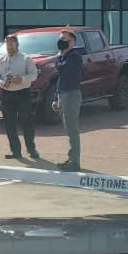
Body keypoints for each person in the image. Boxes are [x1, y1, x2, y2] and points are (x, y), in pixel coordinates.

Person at [0, 34, 40, 160]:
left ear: (17, 44)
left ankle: (31, 149)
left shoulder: (25, 58)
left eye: (11, 43)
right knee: (9, 123)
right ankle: (15, 151)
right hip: (7, 94)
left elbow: (34, 75)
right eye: (6, 43)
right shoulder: (0, 60)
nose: (9, 46)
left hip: (22, 93)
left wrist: (22, 79)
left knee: (26, 122)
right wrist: (2, 83)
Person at [52, 29, 84, 171]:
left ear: (72, 41)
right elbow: (60, 77)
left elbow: (65, 69)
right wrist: (56, 98)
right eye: (60, 39)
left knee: (72, 129)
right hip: (63, 94)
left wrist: (60, 60)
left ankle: (75, 162)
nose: (61, 41)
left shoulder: (74, 56)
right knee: (68, 129)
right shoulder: (62, 56)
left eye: (64, 39)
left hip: (72, 95)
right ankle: (71, 158)